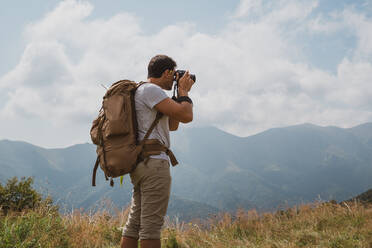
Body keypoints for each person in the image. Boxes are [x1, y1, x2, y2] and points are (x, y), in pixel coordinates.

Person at [121, 55, 194, 248]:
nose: (175, 79)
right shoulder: (152, 90)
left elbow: (173, 125)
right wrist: (185, 91)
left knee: (134, 224)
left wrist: (177, 95)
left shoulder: (140, 91)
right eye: (174, 75)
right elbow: (187, 115)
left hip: (141, 163)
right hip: (154, 164)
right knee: (151, 228)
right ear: (167, 72)